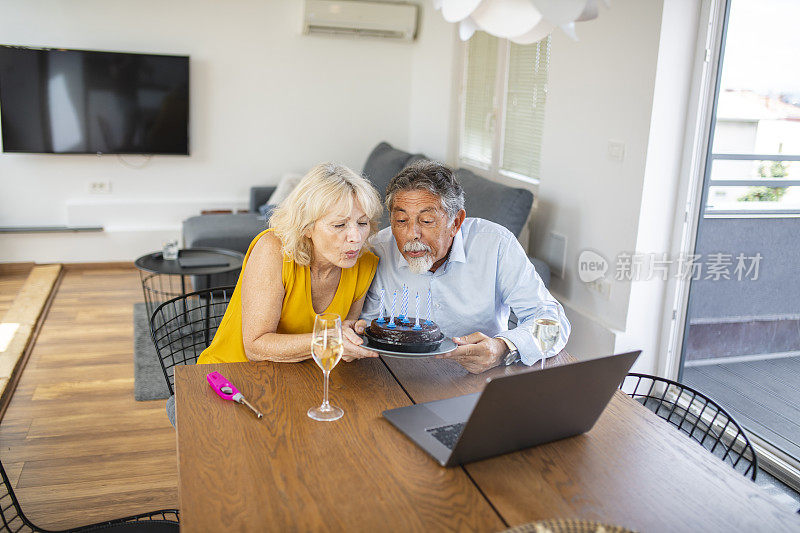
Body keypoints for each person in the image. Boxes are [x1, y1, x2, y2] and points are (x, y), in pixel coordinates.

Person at [355, 160, 570, 374]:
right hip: (398, 377)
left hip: (477, 378)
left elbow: (552, 321)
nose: (412, 234)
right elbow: (364, 328)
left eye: (427, 221)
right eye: (401, 220)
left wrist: (502, 348)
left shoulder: (497, 244)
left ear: (456, 222)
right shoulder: (376, 251)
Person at [196, 162, 382, 365]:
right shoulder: (273, 250)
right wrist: (325, 340)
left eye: (362, 223)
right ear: (306, 227)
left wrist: (348, 339)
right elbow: (256, 347)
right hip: (232, 375)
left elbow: (338, 341)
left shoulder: (364, 263)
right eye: (339, 225)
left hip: (300, 378)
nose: (356, 237)